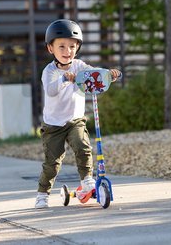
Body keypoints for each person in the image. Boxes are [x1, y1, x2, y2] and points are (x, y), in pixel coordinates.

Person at [35, 19, 121, 209]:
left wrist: (110, 75)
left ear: (78, 47)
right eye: (62, 47)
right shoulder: (49, 71)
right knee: (52, 163)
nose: (67, 51)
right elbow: (50, 90)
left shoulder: (79, 66)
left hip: (75, 120)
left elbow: (95, 75)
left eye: (72, 46)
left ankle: (88, 180)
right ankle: (42, 194)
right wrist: (65, 79)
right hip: (53, 125)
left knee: (83, 147)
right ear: (51, 49)